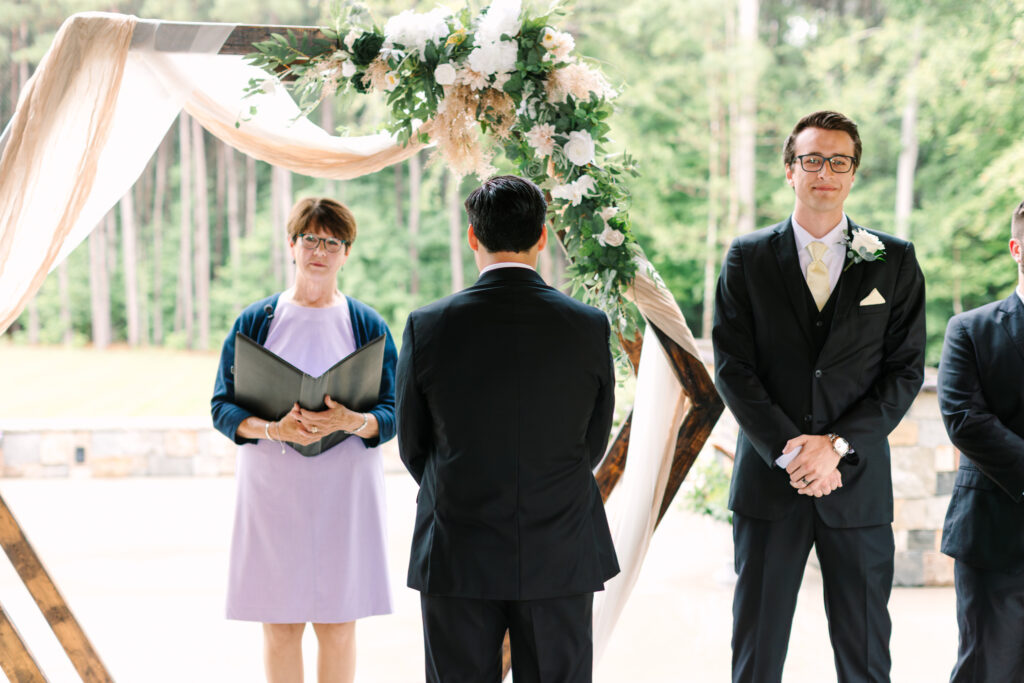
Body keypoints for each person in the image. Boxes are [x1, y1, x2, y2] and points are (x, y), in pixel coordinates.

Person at [712, 110, 926, 683]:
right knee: (756, 653)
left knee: (866, 655)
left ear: (854, 173)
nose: (824, 172)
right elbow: (733, 368)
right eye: (811, 160)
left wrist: (834, 446)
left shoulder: (894, 260)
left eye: (838, 161)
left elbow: (904, 371)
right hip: (769, 485)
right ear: (790, 170)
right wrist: (793, 451)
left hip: (856, 486)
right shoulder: (747, 257)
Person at [395, 174, 619, 683]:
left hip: (457, 547)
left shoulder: (427, 325)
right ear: (542, 236)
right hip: (559, 546)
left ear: (473, 236)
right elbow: (592, 441)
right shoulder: (588, 326)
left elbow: (413, 445)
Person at [211, 197, 397, 683]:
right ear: (291, 244)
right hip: (274, 492)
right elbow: (222, 407)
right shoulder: (256, 321)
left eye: (333, 242)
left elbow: (394, 411)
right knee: (280, 623)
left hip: (345, 493)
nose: (320, 251)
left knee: (338, 623)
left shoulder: (368, 325)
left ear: (347, 253)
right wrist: (274, 428)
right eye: (311, 238)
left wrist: (351, 421)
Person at [938, 199, 1024, 682]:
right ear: (1016, 248)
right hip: (995, 536)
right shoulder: (969, 329)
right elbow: (965, 419)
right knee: (988, 671)